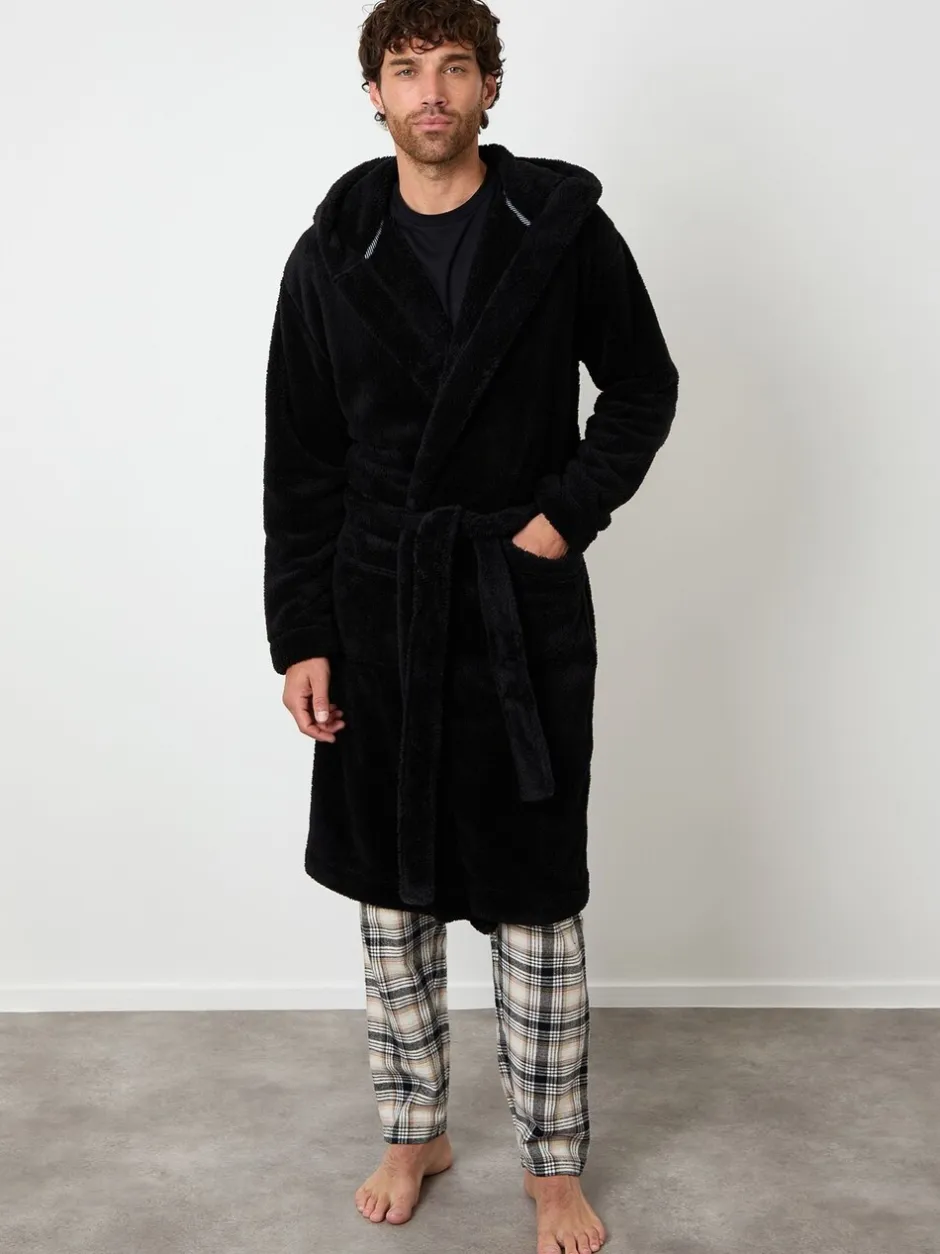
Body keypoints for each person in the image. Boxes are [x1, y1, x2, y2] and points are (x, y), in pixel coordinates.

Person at [262, 2, 679, 1250]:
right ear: (374, 94)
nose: (431, 91)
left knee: (535, 897)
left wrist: (562, 519)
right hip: (377, 604)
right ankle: (415, 1130)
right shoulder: (329, 256)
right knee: (391, 900)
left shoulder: (560, 233)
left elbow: (642, 386)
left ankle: (553, 1164)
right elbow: (301, 464)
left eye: (455, 67)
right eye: (406, 70)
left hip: (513, 606)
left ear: (490, 87)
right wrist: (301, 635)